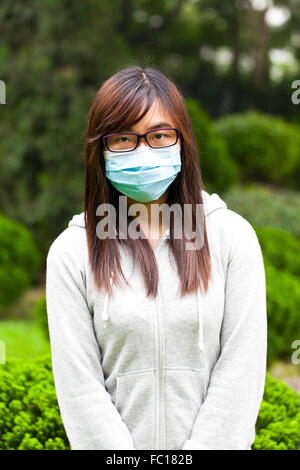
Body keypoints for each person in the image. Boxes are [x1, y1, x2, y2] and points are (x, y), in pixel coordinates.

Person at [46, 65, 267, 450]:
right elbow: (79, 387)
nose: (143, 151)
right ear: (101, 149)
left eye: (160, 135)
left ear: (183, 141)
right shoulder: (71, 253)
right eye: (123, 138)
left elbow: (241, 371)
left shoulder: (233, 238)